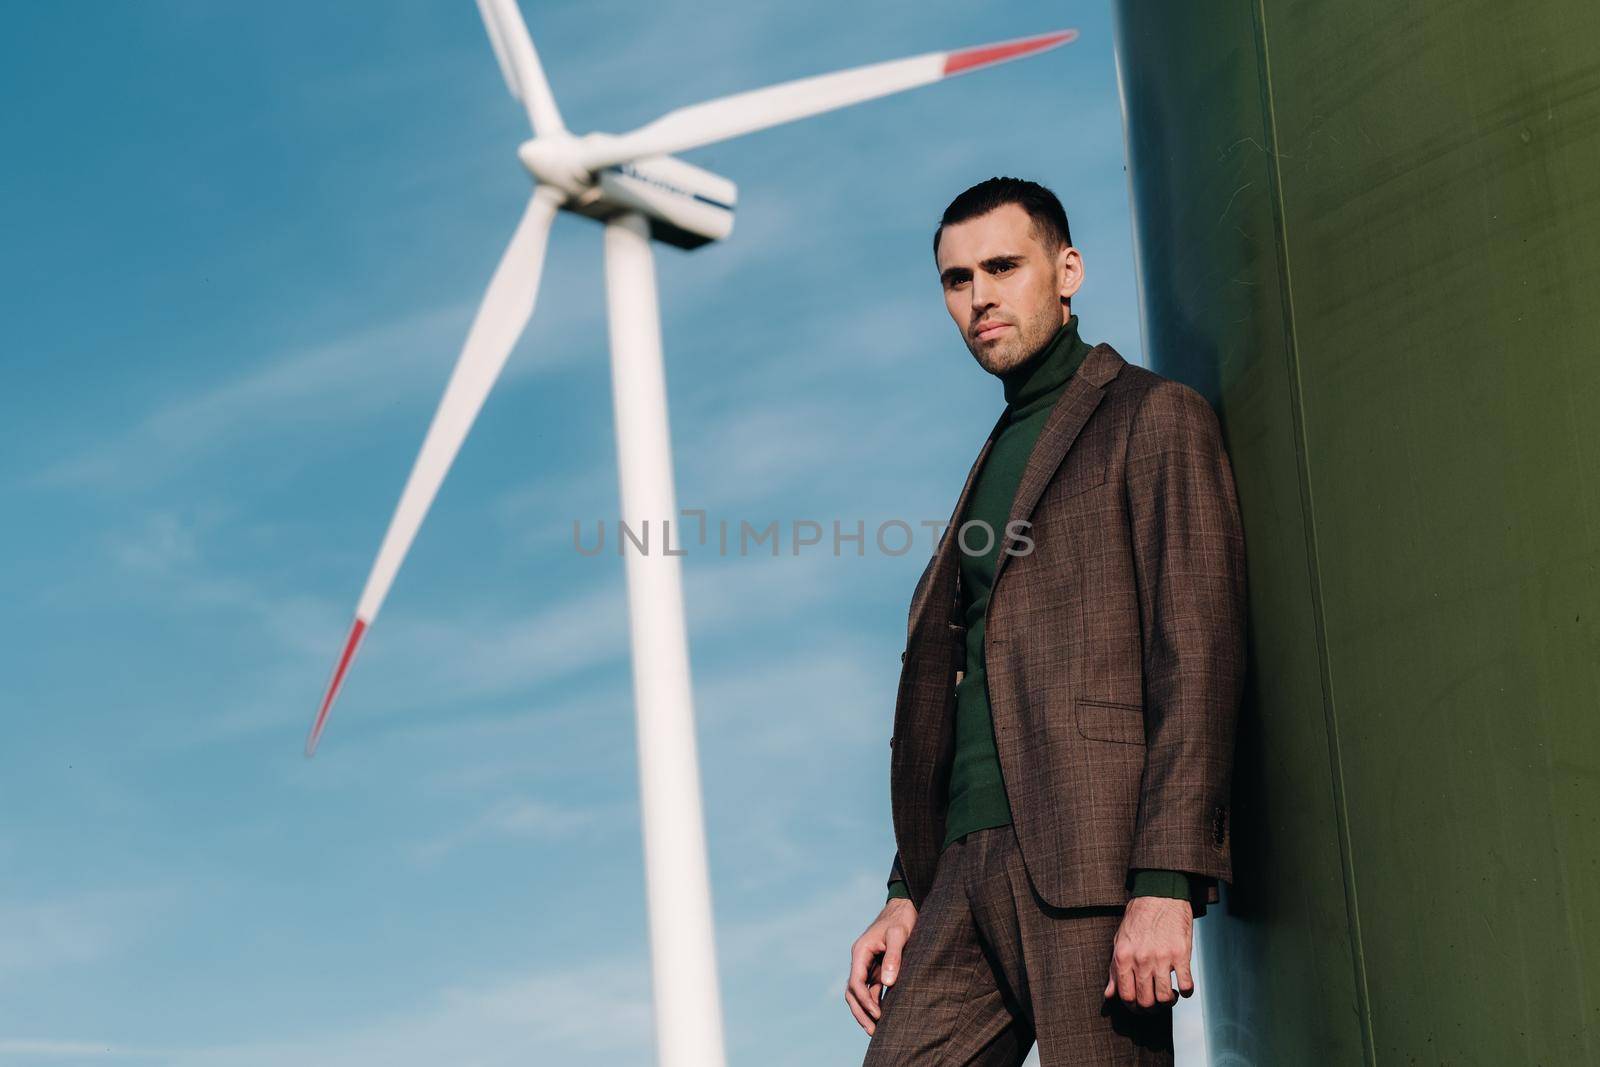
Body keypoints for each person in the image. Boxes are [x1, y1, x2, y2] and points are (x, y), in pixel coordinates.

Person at [845, 177, 1246, 1065]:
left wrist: (1164, 882)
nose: (979, 296)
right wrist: (906, 887)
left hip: (1093, 862)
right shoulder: (991, 464)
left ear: (1067, 271)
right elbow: (962, 682)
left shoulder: (1153, 417)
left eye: (1002, 266)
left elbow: (1198, 656)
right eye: (956, 280)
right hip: (960, 874)